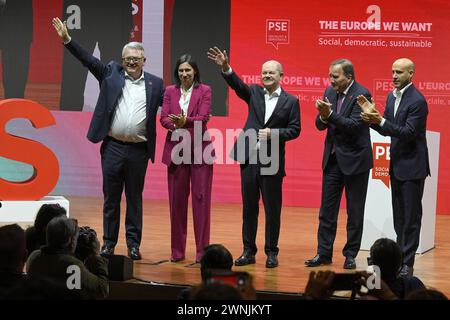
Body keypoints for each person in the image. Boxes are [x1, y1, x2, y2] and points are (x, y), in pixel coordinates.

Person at [52, 17, 164, 260]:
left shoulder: (156, 83)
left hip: (139, 150)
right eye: (128, 59)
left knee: (134, 199)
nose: (132, 62)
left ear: (144, 61)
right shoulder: (110, 73)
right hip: (113, 147)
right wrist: (68, 40)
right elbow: (88, 60)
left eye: (136, 59)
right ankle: (109, 243)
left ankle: (133, 245)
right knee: (111, 198)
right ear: (122, 61)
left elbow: (171, 104)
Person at [207, 47, 301, 268]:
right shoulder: (255, 93)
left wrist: (274, 134)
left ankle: (271, 252)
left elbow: (295, 130)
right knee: (249, 208)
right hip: (248, 157)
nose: (267, 75)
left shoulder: (291, 101)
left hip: (272, 161)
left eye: (271, 73)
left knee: (272, 209)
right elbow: (237, 86)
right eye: (264, 72)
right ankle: (248, 251)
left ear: (281, 76)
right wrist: (225, 68)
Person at [357, 58, 430, 277]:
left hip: (413, 167)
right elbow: (388, 128)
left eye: (399, 72)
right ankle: (400, 260)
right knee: (399, 217)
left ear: (411, 74)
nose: (394, 76)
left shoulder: (418, 100)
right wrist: (371, 118)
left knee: (411, 218)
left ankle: (407, 264)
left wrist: (379, 121)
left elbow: (408, 132)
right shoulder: (391, 97)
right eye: (392, 71)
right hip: (396, 165)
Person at [305, 59, 373, 270]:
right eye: (330, 76)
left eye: (335, 76)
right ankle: (323, 253)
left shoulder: (363, 95)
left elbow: (354, 126)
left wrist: (330, 115)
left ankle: (350, 254)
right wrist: (324, 117)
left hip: (355, 162)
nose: (331, 80)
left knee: (354, 212)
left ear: (349, 77)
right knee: (327, 211)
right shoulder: (329, 92)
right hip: (333, 160)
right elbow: (318, 124)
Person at [160, 54, 214, 263]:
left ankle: (202, 252)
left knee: (201, 202)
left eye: (188, 70)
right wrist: (177, 125)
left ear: (195, 72)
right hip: (176, 151)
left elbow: (203, 117)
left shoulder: (205, 90)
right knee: (176, 203)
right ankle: (177, 251)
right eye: (181, 70)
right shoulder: (169, 91)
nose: (184, 74)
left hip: (200, 151)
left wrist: (185, 121)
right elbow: (163, 117)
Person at [60, 0, 133, 111]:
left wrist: (127, 22)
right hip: (80, 9)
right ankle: (67, 117)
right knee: (74, 65)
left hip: (114, 10)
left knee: (114, 71)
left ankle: (117, 115)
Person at [26, 216, 109, 299]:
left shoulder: (34, 256)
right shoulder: (73, 266)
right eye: (76, 237)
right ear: (72, 241)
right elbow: (102, 290)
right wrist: (96, 255)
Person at [0, 0, 33, 98]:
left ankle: (17, 100)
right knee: (9, 67)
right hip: (7, 28)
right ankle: (10, 100)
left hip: (21, 29)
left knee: (20, 67)